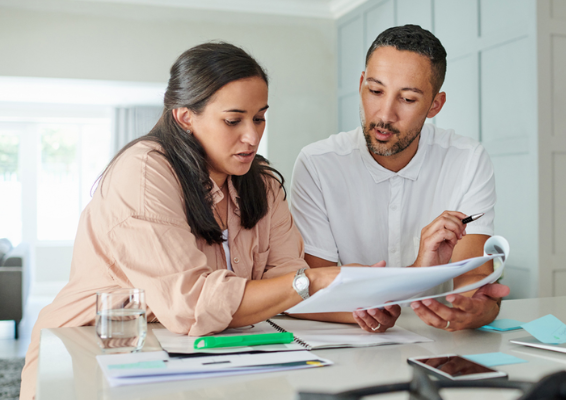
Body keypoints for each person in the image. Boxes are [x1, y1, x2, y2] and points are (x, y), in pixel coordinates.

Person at [19, 42, 345, 400]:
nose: (252, 136)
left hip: (199, 355)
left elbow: (285, 284)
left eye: (259, 117)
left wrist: (362, 308)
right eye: (233, 120)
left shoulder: (262, 184)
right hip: (93, 353)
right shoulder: (144, 172)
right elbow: (191, 303)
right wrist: (309, 280)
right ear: (185, 116)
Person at [290, 25, 510, 334]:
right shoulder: (316, 165)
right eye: (375, 91)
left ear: (435, 104)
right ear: (361, 84)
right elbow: (318, 288)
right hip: (344, 338)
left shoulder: (467, 159)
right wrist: (414, 273)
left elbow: (471, 278)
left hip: (434, 340)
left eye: (407, 99)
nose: (384, 114)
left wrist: (476, 309)